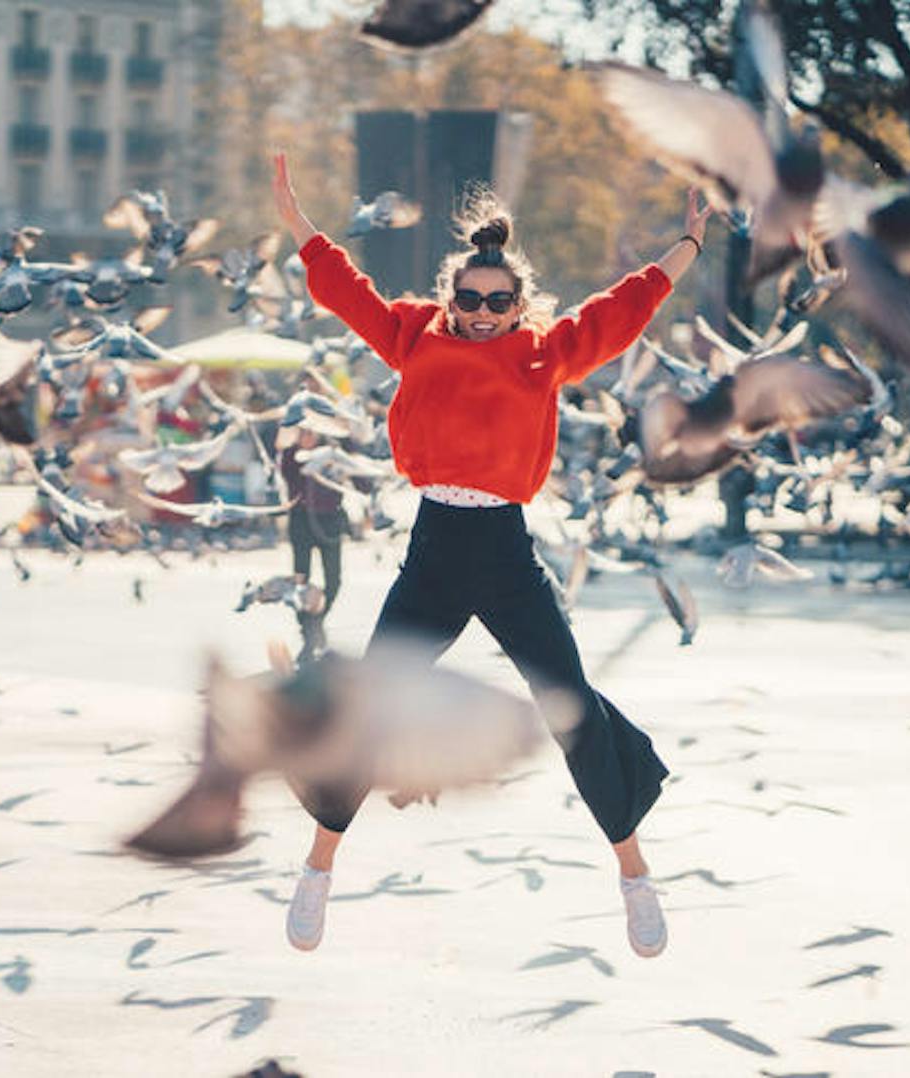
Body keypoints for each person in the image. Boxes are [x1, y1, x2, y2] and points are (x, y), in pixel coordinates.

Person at [270, 151, 710, 958]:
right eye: (469, 300)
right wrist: (299, 222)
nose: (481, 312)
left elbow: (623, 310)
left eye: (497, 301)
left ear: (519, 303)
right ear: (451, 298)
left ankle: (635, 877)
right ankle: (318, 871)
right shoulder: (413, 336)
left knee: (570, 705)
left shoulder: (546, 352)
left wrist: (687, 246)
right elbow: (347, 294)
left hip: (506, 551)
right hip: (436, 546)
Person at [278, 426, 347, 663]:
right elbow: (285, 473)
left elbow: (359, 479)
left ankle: (316, 621)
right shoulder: (291, 456)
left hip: (330, 522)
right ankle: (308, 631)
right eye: (303, 432)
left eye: (311, 432)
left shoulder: (333, 451)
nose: (307, 436)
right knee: (301, 580)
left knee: (334, 580)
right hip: (302, 522)